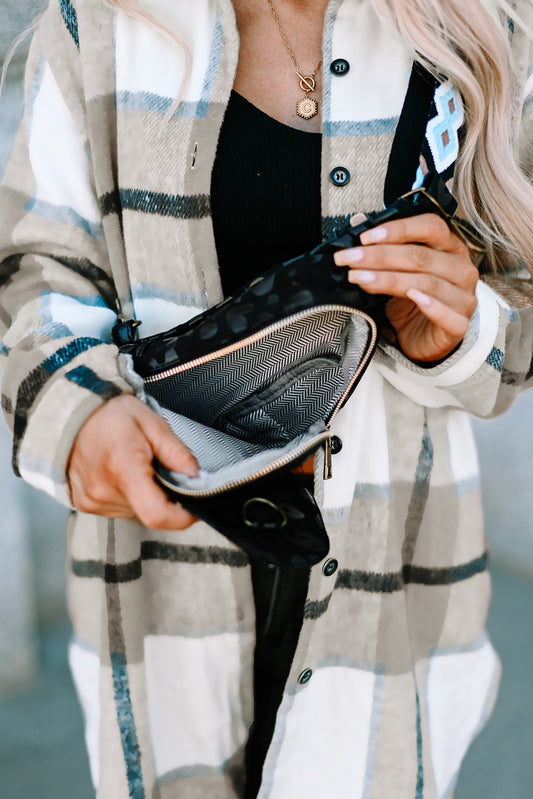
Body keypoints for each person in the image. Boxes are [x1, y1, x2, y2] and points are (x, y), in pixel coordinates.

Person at [1, 0, 533, 796]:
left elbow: (517, 313)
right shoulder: (94, 28)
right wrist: (81, 419)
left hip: (392, 588)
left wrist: (459, 333)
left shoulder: (482, 29)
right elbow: (37, 273)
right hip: (164, 584)